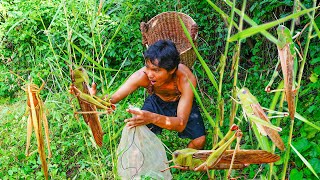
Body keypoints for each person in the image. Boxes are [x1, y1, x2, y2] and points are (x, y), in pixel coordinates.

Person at [112, 40, 206, 149]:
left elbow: (180, 124)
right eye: (147, 67)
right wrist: (92, 98)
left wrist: (152, 118)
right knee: (138, 134)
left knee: (200, 141)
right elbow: (113, 99)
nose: (150, 74)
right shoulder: (142, 76)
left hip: (180, 102)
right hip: (156, 101)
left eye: (156, 70)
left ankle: (181, 162)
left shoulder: (185, 79)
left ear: (172, 70)